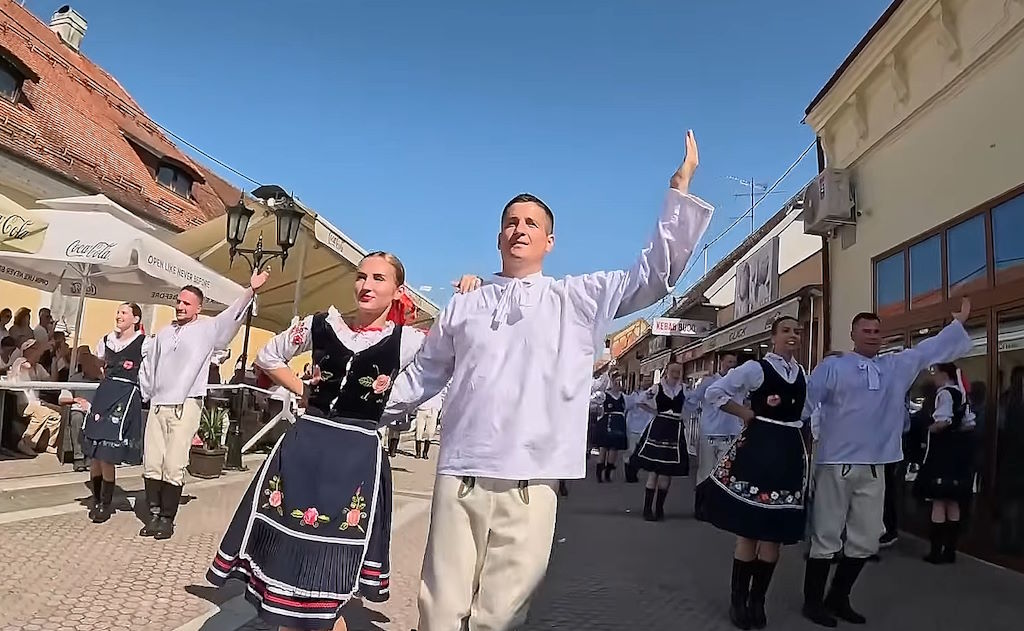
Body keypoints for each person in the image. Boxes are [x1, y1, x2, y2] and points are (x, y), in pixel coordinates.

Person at [385, 130, 712, 631]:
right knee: (440, 610)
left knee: (502, 616)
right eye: (511, 223)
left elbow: (652, 277)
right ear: (498, 237)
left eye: (531, 224)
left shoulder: (576, 298)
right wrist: (357, 413)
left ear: (549, 241)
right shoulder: (467, 303)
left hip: (532, 479)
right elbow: (425, 374)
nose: (520, 229)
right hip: (462, 470)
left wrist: (678, 192)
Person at [208, 252, 425, 631]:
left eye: (378, 278)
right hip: (305, 448)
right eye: (361, 277)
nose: (366, 285)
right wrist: (302, 392)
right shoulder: (323, 324)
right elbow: (268, 356)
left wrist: (386, 406)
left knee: (326, 585)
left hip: (354, 459)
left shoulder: (408, 342)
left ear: (397, 290)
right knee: (287, 566)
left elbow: (444, 366)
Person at [800, 298, 972, 627]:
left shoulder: (895, 366)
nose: (872, 335)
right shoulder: (833, 367)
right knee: (826, 535)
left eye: (877, 331)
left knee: (865, 538)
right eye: (865, 330)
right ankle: (813, 602)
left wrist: (958, 324)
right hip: (838, 462)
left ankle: (838, 597)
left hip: (877, 465)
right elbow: (805, 404)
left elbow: (928, 350)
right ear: (853, 334)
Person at [138, 269, 267, 540]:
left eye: (186, 303)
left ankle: (166, 518)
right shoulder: (162, 333)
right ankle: (153, 513)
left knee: (173, 464)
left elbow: (230, 317)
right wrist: (147, 395)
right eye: (178, 301)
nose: (180, 306)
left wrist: (250, 290)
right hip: (159, 404)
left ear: (198, 307)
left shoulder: (207, 329)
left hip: (186, 403)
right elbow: (150, 365)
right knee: (152, 461)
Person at [695, 317, 807, 629]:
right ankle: (738, 600)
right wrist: (744, 412)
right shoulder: (756, 369)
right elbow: (715, 393)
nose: (792, 336)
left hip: (787, 454)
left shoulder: (802, 374)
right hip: (758, 450)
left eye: (797, 331)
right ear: (773, 336)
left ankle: (758, 601)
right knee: (749, 531)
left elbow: (809, 411)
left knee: (773, 537)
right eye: (786, 330)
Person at [81, 303, 147, 523]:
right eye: (118, 312)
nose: (118, 316)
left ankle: (105, 504)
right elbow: (98, 366)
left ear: (135, 319)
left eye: (124, 313)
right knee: (96, 451)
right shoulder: (106, 340)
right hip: (105, 392)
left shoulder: (143, 343)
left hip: (125, 394)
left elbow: (149, 370)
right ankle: (97, 498)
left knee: (106, 453)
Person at [914, 362, 976, 564]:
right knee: (953, 502)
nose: (933, 377)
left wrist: (930, 429)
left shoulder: (945, 394)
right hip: (958, 455)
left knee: (939, 501)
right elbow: (968, 424)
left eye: (935, 373)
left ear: (944, 374)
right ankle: (950, 551)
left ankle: (936, 552)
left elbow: (943, 422)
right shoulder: (962, 395)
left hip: (942, 454)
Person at [631, 360, 693, 520]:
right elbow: (639, 400)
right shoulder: (657, 387)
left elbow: (692, 404)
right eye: (673, 370)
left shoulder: (684, 389)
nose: (676, 373)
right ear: (667, 371)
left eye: (678, 371)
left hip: (675, 428)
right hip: (659, 427)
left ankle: (659, 509)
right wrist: (653, 410)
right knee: (654, 471)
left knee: (667, 472)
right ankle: (647, 509)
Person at [691, 350, 741, 485]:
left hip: (730, 432)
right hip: (709, 432)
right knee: (706, 470)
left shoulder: (739, 383)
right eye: (729, 362)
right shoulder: (710, 381)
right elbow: (693, 399)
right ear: (721, 362)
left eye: (734, 363)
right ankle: (702, 502)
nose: (732, 365)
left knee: (725, 472)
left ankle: (717, 502)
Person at [591, 371, 628, 482]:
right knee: (603, 448)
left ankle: (608, 472)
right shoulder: (604, 395)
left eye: (620, 381)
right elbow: (592, 402)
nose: (618, 384)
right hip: (606, 422)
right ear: (611, 382)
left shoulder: (624, 397)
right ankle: (599, 474)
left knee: (614, 449)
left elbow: (631, 406)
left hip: (619, 423)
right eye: (616, 381)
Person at [623, 374, 655, 483]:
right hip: (633, 427)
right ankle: (629, 474)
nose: (647, 382)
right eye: (645, 380)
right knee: (632, 451)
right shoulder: (634, 395)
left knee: (640, 452)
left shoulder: (652, 394)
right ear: (640, 382)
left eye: (649, 380)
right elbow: (626, 406)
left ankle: (633, 472)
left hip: (646, 428)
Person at [413, 386, 445, 459]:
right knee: (419, 431)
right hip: (422, 409)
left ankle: (425, 453)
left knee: (430, 432)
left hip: (433, 410)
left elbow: (444, 395)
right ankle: (418, 453)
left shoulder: (441, 384)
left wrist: (439, 407)